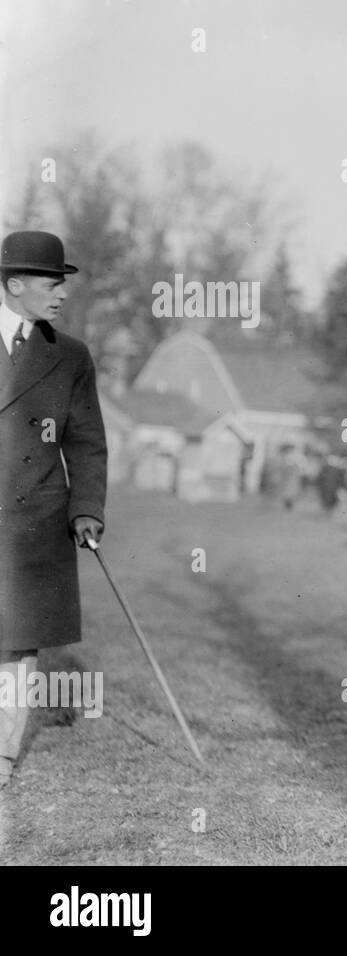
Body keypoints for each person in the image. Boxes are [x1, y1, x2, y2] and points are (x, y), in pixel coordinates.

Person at [0, 231, 107, 788]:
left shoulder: (69, 358)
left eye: (63, 283)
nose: (61, 293)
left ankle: (1, 754)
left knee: (15, 645)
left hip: (32, 524)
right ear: (15, 285)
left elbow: (86, 441)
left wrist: (86, 508)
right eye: (51, 282)